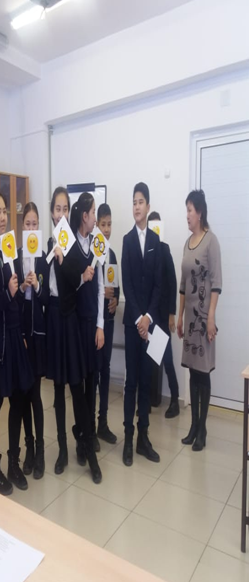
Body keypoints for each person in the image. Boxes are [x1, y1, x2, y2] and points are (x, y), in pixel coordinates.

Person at [45, 187, 102, 484]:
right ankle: (63, 451)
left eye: (65, 208)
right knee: (57, 389)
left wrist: (67, 263)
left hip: (70, 319)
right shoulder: (48, 244)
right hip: (53, 318)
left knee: (77, 387)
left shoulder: (72, 247)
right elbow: (46, 285)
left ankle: (89, 451)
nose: (61, 214)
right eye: (57, 209)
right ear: (51, 212)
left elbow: (78, 278)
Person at [0, 190, 34, 494]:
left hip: (14, 335)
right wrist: (10, 292)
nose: (3, 217)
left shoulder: (7, 245)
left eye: (5, 212)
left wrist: (20, 289)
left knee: (19, 397)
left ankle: (14, 460)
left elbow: (13, 294)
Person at [178, 190, 222, 451]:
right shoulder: (187, 243)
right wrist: (180, 316)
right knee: (193, 373)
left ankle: (202, 429)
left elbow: (216, 283)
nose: (187, 215)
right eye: (186, 210)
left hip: (204, 320)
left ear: (200, 212)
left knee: (203, 373)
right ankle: (193, 426)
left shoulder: (211, 241)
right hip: (190, 320)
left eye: (190, 210)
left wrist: (211, 317)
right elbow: (183, 285)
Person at [121, 182, 161, 467]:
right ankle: (128, 438)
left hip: (152, 326)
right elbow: (128, 284)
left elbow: (159, 285)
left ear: (148, 206)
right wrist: (138, 318)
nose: (136, 206)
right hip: (133, 325)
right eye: (134, 202)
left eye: (140, 202)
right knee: (131, 383)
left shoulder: (157, 241)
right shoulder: (126, 240)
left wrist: (149, 318)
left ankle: (143, 439)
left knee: (147, 381)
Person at [69, 193, 105, 462]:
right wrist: (82, 278)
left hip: (93, 323)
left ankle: (90, 433)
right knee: (78, 384)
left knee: (92, 380)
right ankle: (81, 436)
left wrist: (101, 325)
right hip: (75, 323)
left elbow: (102, 287)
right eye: (93, 213)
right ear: (84, 216)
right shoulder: (70, 246)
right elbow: (67, 285)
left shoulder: (97, 244)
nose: (96, 218)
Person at [18, 202, 48, 479]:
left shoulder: (43, 258)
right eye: (27, 224)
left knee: (36, 394)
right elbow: (13, 298)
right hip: (21, 336)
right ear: (21, 227)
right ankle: (28, 447)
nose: (30, 228)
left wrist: (36, 286)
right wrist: (21, 288)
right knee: (24, 394)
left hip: (37, 335)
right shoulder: (15, 257)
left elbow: (47, 297)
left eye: (34, 223)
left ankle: (40, 450)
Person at [148, 211, 180, 418]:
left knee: (167, 359)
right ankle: (150, 400)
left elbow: (172, 282)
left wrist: (171, 313)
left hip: (162, 315)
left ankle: (175, 399)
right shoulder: (146, 250)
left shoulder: (164, 249)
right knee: (152, 359)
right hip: (150, 315)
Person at [95, 203, 119, 444]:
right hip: (95, 324)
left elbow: (116, 288)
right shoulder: (92, 253)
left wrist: (115, 301)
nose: (107, 229)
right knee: (93, 372)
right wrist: (102, 295)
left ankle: (103, 422)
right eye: (103, 224)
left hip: (109, 321)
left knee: (105, 369)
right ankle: (89, 426)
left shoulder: (112, 255)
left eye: (109, 224)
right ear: (96, 225)